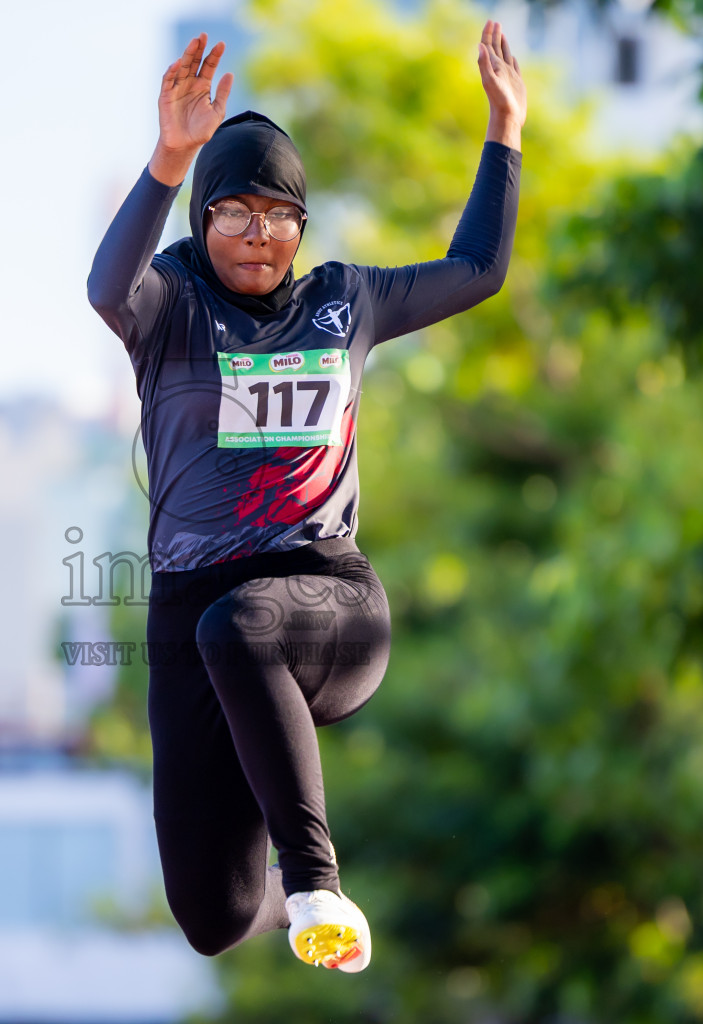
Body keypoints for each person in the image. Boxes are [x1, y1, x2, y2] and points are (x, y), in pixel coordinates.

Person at [87, 21, 526, 972]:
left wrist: (505, 132)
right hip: (193, 613)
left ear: (301, 226)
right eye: (235, 213)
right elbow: (101, 286)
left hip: (330, 603)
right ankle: (265, 764)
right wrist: (169, 159)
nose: (259, 235)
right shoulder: (168, 304)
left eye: (279, 214)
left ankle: (318, 883)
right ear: (202, 223)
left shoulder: (343, 300)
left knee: (239, 629)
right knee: (209, 917)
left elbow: (480, 271)